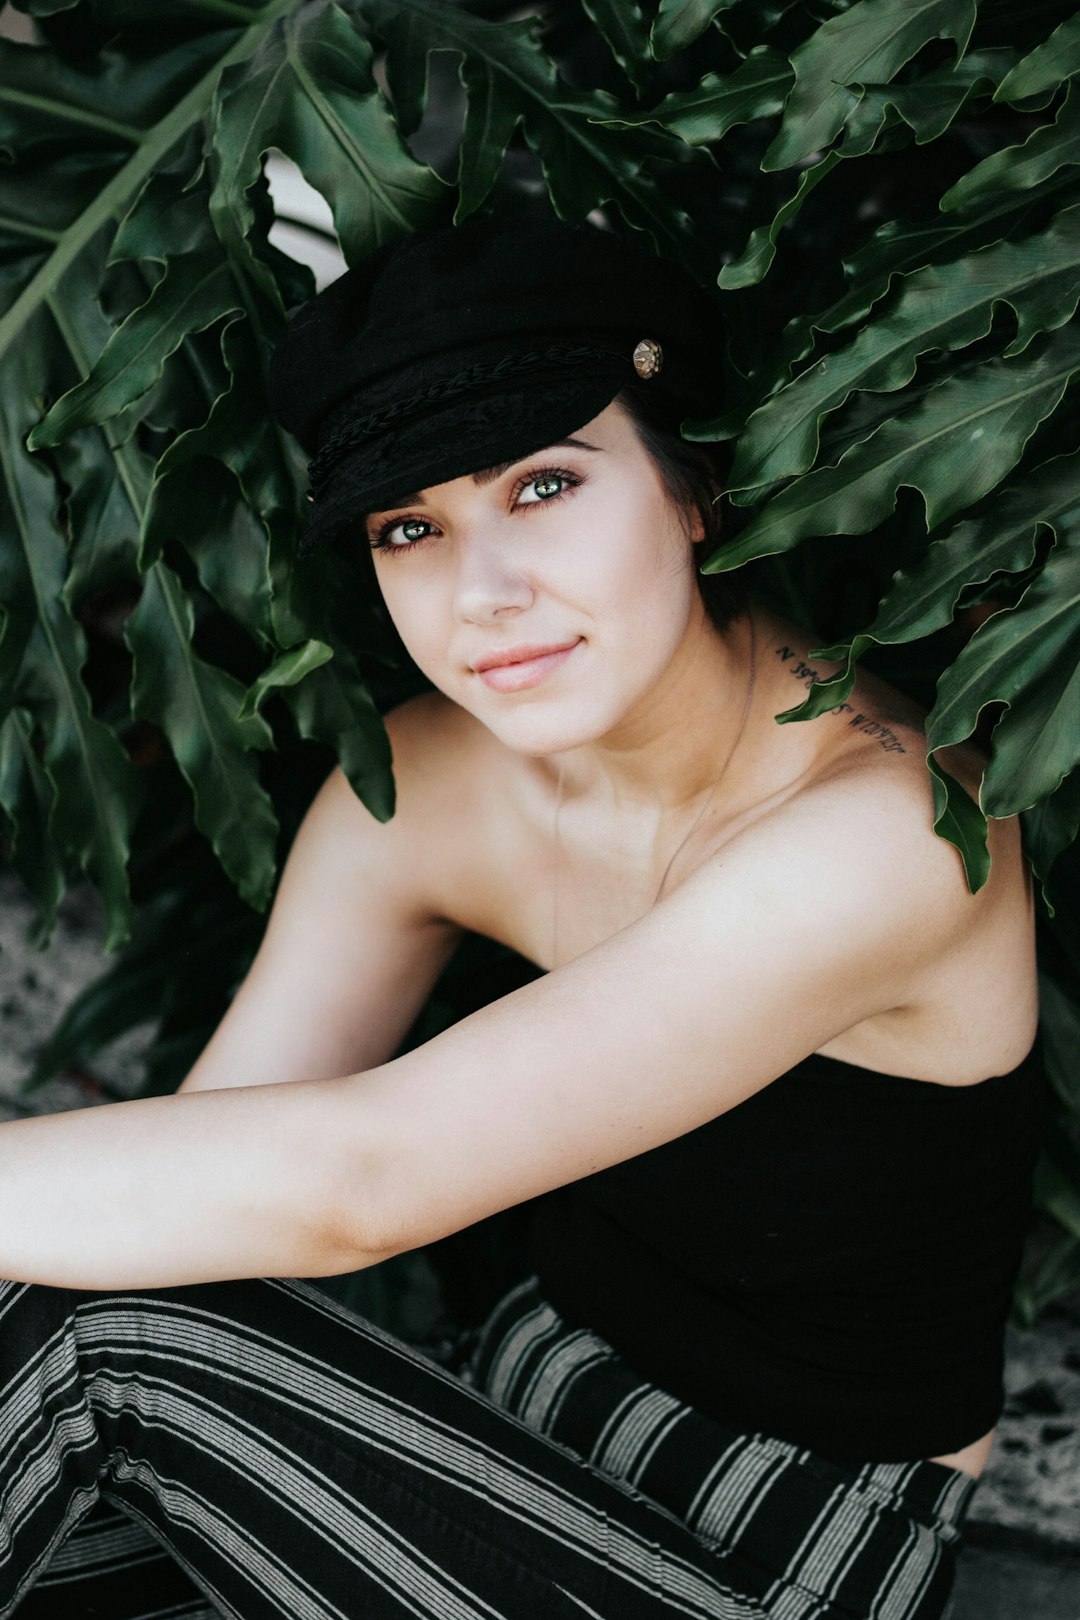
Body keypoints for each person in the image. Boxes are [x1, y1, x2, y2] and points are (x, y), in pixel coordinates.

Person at [0, 215, 1040, 1620]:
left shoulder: (889, 836)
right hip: (474, 1460)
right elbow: (214, 1178)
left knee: (103, 1339)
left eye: (543, 485)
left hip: (764, 1568)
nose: (483, 593)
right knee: (70, 1285)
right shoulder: (432, 785)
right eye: (412, 526)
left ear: (693, 488)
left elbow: (358, 1183)